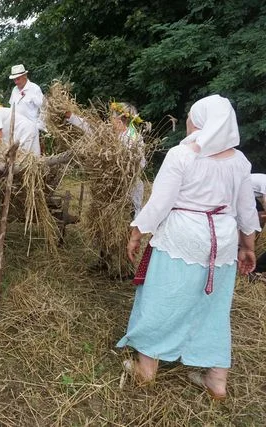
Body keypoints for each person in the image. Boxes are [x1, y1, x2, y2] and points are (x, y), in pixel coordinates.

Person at [117, 95, 260, 400]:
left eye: (191, 118)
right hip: (221, 240)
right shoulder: (239, 161)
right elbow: (247, 209)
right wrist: (248, 245)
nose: (187, 123)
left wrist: (136, 232)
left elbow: (160, 202)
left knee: (163, 295)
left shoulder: (181, 155)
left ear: (201, 122)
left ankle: (147, 368)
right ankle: (217, 380)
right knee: (214, 305)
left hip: (182, 236)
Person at [66, 102, 146, 217]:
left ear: (119, 119)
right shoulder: (110, 133)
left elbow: (140, 164)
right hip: (108, 187)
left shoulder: (134, 138)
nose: (110, 120)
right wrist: (72, 117)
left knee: (128, 217)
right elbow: (91, 129)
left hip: (128, 188)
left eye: (113, 117)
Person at [8, 64, 45, 132]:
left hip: (31, 129)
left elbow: (44, 108)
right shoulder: (15, 90)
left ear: (25, 76)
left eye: (18, 79)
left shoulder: (34, 88)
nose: (16, 82)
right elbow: (11, 108)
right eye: (14, 80)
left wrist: (39, 126)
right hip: (17, 129)